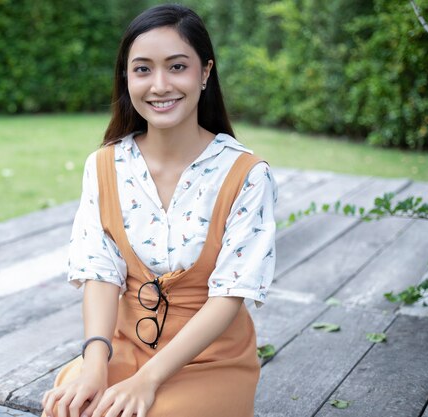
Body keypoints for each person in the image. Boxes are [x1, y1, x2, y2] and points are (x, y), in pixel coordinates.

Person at [42, 4, 277, 417]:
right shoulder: (105, 165)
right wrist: (94, 365)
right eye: (143, 69)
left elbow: (229, 297)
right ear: (126, 78)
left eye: (177, 66)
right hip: (125, 348)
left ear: (205, 72)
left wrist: (148, 381)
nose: (160, 85)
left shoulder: (246, 174)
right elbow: (100, 272)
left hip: (210, 361)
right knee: (69, 404)